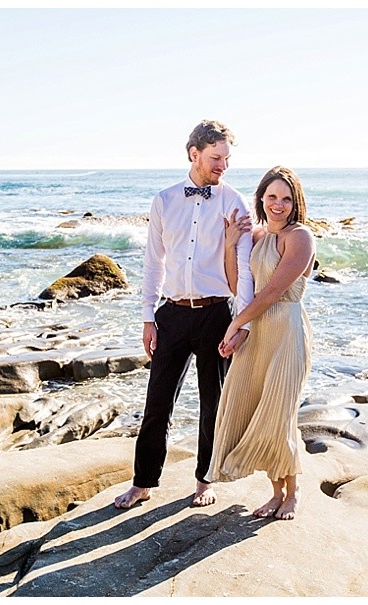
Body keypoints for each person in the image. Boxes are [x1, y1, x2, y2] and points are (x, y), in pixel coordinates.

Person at [114, 120, 255, 509]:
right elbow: (153, 262)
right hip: (172, 315)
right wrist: (147, 317)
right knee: (156, 402)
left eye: (226, 158)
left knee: (214, 403)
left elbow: (244, 270)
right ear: (193, 154)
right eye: (215, 158)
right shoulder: (164, 200)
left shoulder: (235, 202)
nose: (222, 165)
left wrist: (239, 323)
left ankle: (204, 480)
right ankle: (142, 483)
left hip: (216, 315)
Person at [205, 165, 316, 520]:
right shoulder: (257, 236)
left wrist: (235, 323)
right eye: (272, 197)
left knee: (279, 412)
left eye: (286, 198)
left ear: (295, 202)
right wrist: (229, 244)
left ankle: (293, 493)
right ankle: (275, 492)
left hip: (286, 330)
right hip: (257, 331)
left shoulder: (300, 237)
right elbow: (240, 285)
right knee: (255, 407)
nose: (278, 204)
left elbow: (272, 292)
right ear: (261, 199)